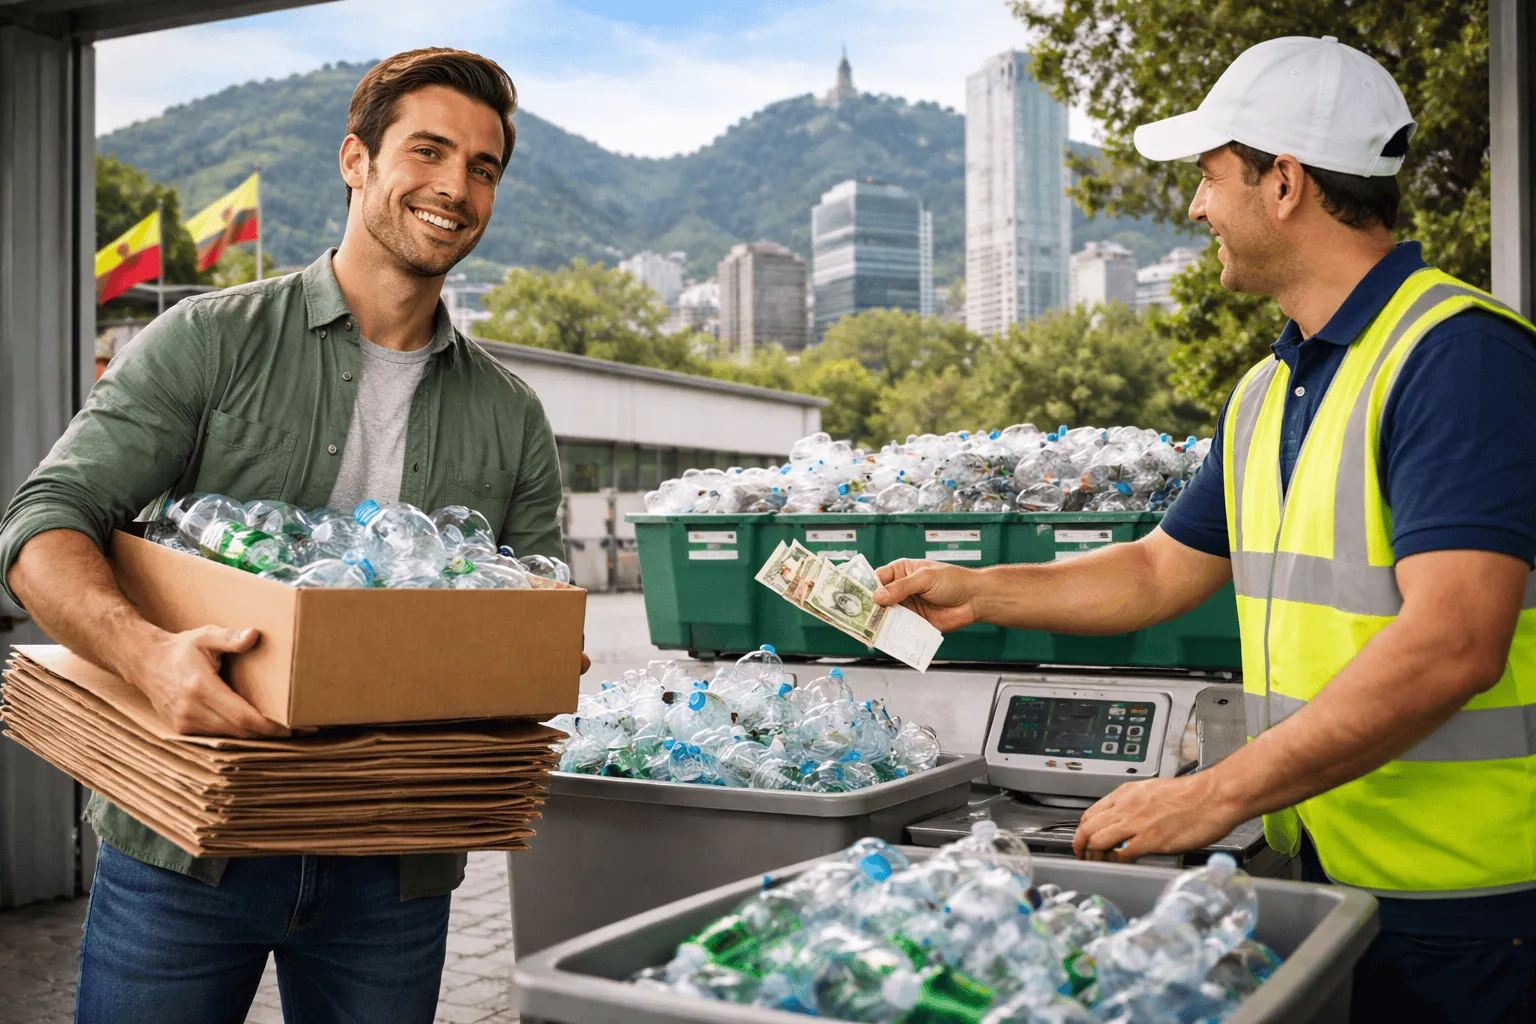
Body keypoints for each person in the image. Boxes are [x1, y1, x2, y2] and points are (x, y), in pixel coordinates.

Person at [873, 36, 1536, 1024]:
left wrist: (1214, 791)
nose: (1193, 207)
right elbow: (1156, 571)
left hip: (1470, 912)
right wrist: (977, 590)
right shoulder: (1268, 390)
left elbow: (1454, 640)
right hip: (1328, 874)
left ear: (1284, 183)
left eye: (1209, 175)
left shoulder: (1458, 358)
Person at [0, 48, 585, 1024]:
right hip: (184, 847)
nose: (456, 186)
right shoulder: (209, 339)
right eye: (429, 150)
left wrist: (531, 652)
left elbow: (538, 612)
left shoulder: (511, 414)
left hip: (393, 866)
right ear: (356, 158)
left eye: (483, 167)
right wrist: (151, 660)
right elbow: (41, 525)